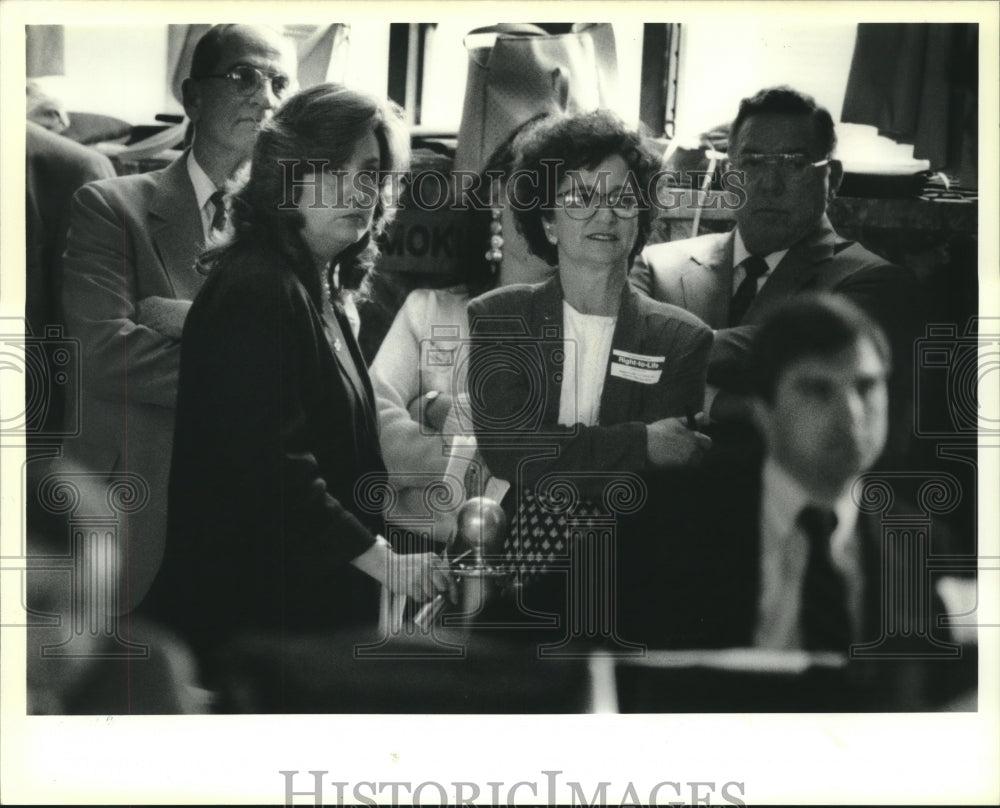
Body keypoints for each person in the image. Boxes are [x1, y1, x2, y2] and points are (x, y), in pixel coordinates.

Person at [143, 84, 455, 675]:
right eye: (331, 169)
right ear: (287, 175)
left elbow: (346, 461)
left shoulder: (318, 286)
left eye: (369, 173)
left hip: (302, 611)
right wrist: (387, 563)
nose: (358, 191)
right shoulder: (260, 286)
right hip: (252, 621)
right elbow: (271, 472)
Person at [60, 25, 297, 612]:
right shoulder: (112, 207)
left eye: (280, 83)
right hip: (138, 511)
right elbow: (103, 353)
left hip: (249, 521)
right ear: (192, 97)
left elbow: (311, 359)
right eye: (244, 76)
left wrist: (173, 317)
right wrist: (252, 368)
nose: (265, 97)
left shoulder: (296, 230)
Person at [466, 111, 712, 641]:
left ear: (641, 217)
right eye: (580, 197)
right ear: (549, 222)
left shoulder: (683, 338)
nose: (605, 213)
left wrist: (609, 455)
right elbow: (510, 451)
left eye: (623, 197)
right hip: (520, 559)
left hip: (632, 559)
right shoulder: (498, 317)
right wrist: (642, 441)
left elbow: (655, 486)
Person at [658, 295, 964, 708]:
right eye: (818, 389)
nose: (850, 414)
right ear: (764, 410)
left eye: (866, 386)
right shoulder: (671, 522)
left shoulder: (922, 543)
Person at [629, 86, 921, 460]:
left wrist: (673, 370)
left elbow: (804, 357)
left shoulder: (875, 279)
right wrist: (727, 401)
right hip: (661, 504)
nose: (770, 183)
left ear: (832, 178)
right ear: (729, 174)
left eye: (793, 163)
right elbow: (620, 362)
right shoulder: (657, 264)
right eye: (752, 162)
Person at [368, 115, 555, 535]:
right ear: (496, 192)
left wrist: (430, 407)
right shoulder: (427, 311)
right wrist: (478, 454)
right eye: (534, 182)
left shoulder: (590, 324)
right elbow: (372, 427)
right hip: (422, 566)